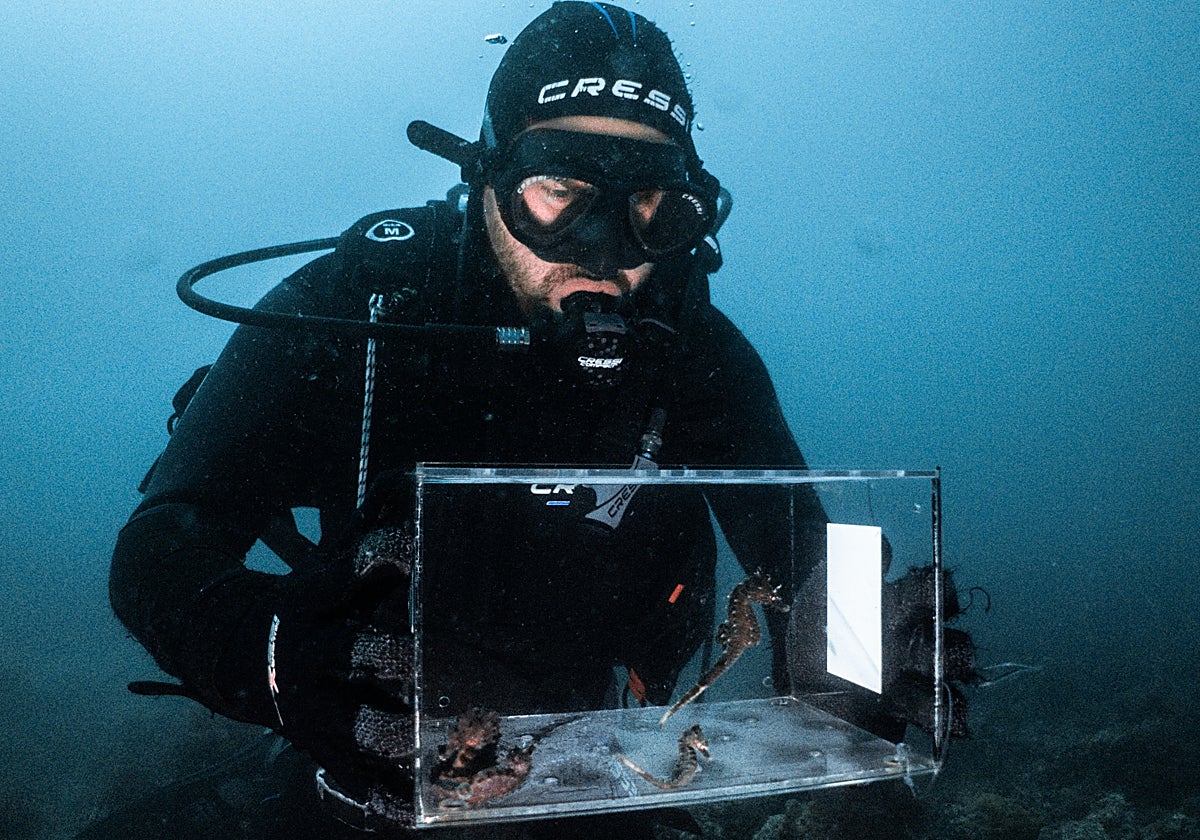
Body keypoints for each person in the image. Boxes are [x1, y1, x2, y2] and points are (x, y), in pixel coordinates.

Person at [110, 4, 967, 837]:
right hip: (379, 751)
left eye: (653, 208)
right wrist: (273, 655)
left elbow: (798, 553)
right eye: (560, 192)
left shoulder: (691, 346)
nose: (605, 251)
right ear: (484, 178)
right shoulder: (365, 306)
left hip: (601, 756)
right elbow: (159, 547)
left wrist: (851, 648)